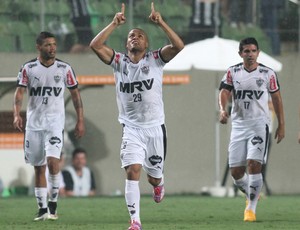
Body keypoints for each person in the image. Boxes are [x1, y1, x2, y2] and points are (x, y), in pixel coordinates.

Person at [89, 2, 184, 229]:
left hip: (155, 128)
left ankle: (158, 182)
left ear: (146, 43)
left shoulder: (155, 59)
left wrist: (160, 22)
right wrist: (113, 24)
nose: (135, 38)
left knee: (152, 177)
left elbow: (179, 46)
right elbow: (95, 45)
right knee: (132, 170)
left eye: (140, 36)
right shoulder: (119, 62)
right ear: (126, 42)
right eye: (131, 35)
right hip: (131, 128)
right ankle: (135, 221)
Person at [13, 31, 85, 221]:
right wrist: (16, 115)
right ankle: (42, 209)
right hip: (34, 125)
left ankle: (53, 204)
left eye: (54, 44)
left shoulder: (64, 68)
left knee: (53, 163)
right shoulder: (28, 68)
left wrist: (80, 120)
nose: (52, 48)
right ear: (39, 47)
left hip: (54, 123)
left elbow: (76, 95)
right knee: (39, 167)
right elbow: (19, 93)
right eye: (48, 45)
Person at [218, 37, 285, 222]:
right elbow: (224, 91)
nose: (250, 54)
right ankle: (252, 193)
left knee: (253, 164)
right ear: (240, 54)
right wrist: (223, 110)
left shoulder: (267, 73)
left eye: (253, 51)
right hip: (239, 125)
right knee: (236, 172)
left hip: (259, 124)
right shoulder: (233, 72)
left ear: (258, 52)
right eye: (246, 51)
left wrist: (281, 125)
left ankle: (251, 208)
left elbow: (277, 99)